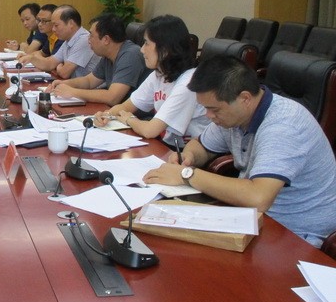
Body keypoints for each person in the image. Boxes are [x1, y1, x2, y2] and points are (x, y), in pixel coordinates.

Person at [143, 55, 336, 247]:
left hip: (296, 234)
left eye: (214, 109)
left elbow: (258, 198)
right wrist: (188, 157)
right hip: (251, 218)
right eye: (205, 108)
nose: (209, 116)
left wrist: (186, 174)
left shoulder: (283, 126)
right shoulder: (234, 115)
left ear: (245, 98)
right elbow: (201, 145)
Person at [93, 14, 208, 144]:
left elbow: (150, 131)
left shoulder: (188, 84)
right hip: (166, 145)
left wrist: (129, 119)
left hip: (188, 152)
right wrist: (106, 115)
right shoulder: (159, 74)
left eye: (147, 43)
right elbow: (126, 106)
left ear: (165, 49)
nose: (142, 50)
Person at [46, 13, 148, 105]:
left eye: (91, 35)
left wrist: (72, 92)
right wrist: (64, 84)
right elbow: (89, 81)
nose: (88, 40)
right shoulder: (108, 55)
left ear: (106, 39)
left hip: (135, 116)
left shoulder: (130, 55)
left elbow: (113, 97)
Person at [18, 5, 100, 79]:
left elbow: (64, 73)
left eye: (56, 25)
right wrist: (31, 59)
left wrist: (59, 66)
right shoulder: (68, 40)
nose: (53, 29)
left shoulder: (83, 40)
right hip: (75, 85)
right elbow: (50, 63)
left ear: (71, 23)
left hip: (90, 89)